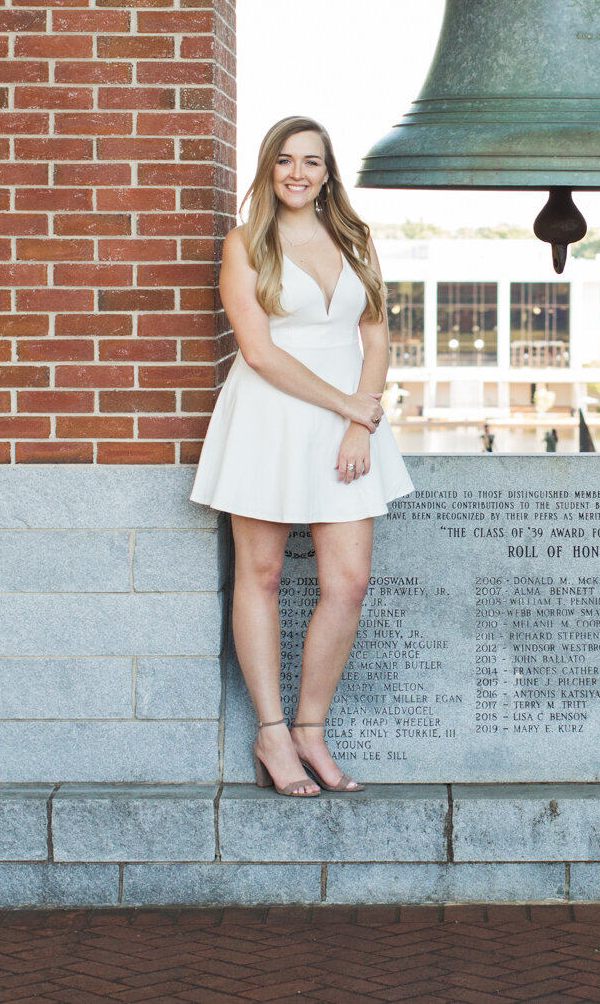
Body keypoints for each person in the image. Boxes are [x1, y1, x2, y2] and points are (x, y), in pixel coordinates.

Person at [190, 117, 413, 797]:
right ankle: (271, 730)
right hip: (268, 419)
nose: (297, 172)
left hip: (346, 424)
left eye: (311, 162)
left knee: (347, 582)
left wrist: (360, 418)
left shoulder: (355, 238)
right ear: (268, 168)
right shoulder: (245, 243)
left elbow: (374, 337)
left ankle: (311, 728)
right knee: (258, 575)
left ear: (327, 172)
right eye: (285, 160)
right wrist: (347, 405)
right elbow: (257, 352)